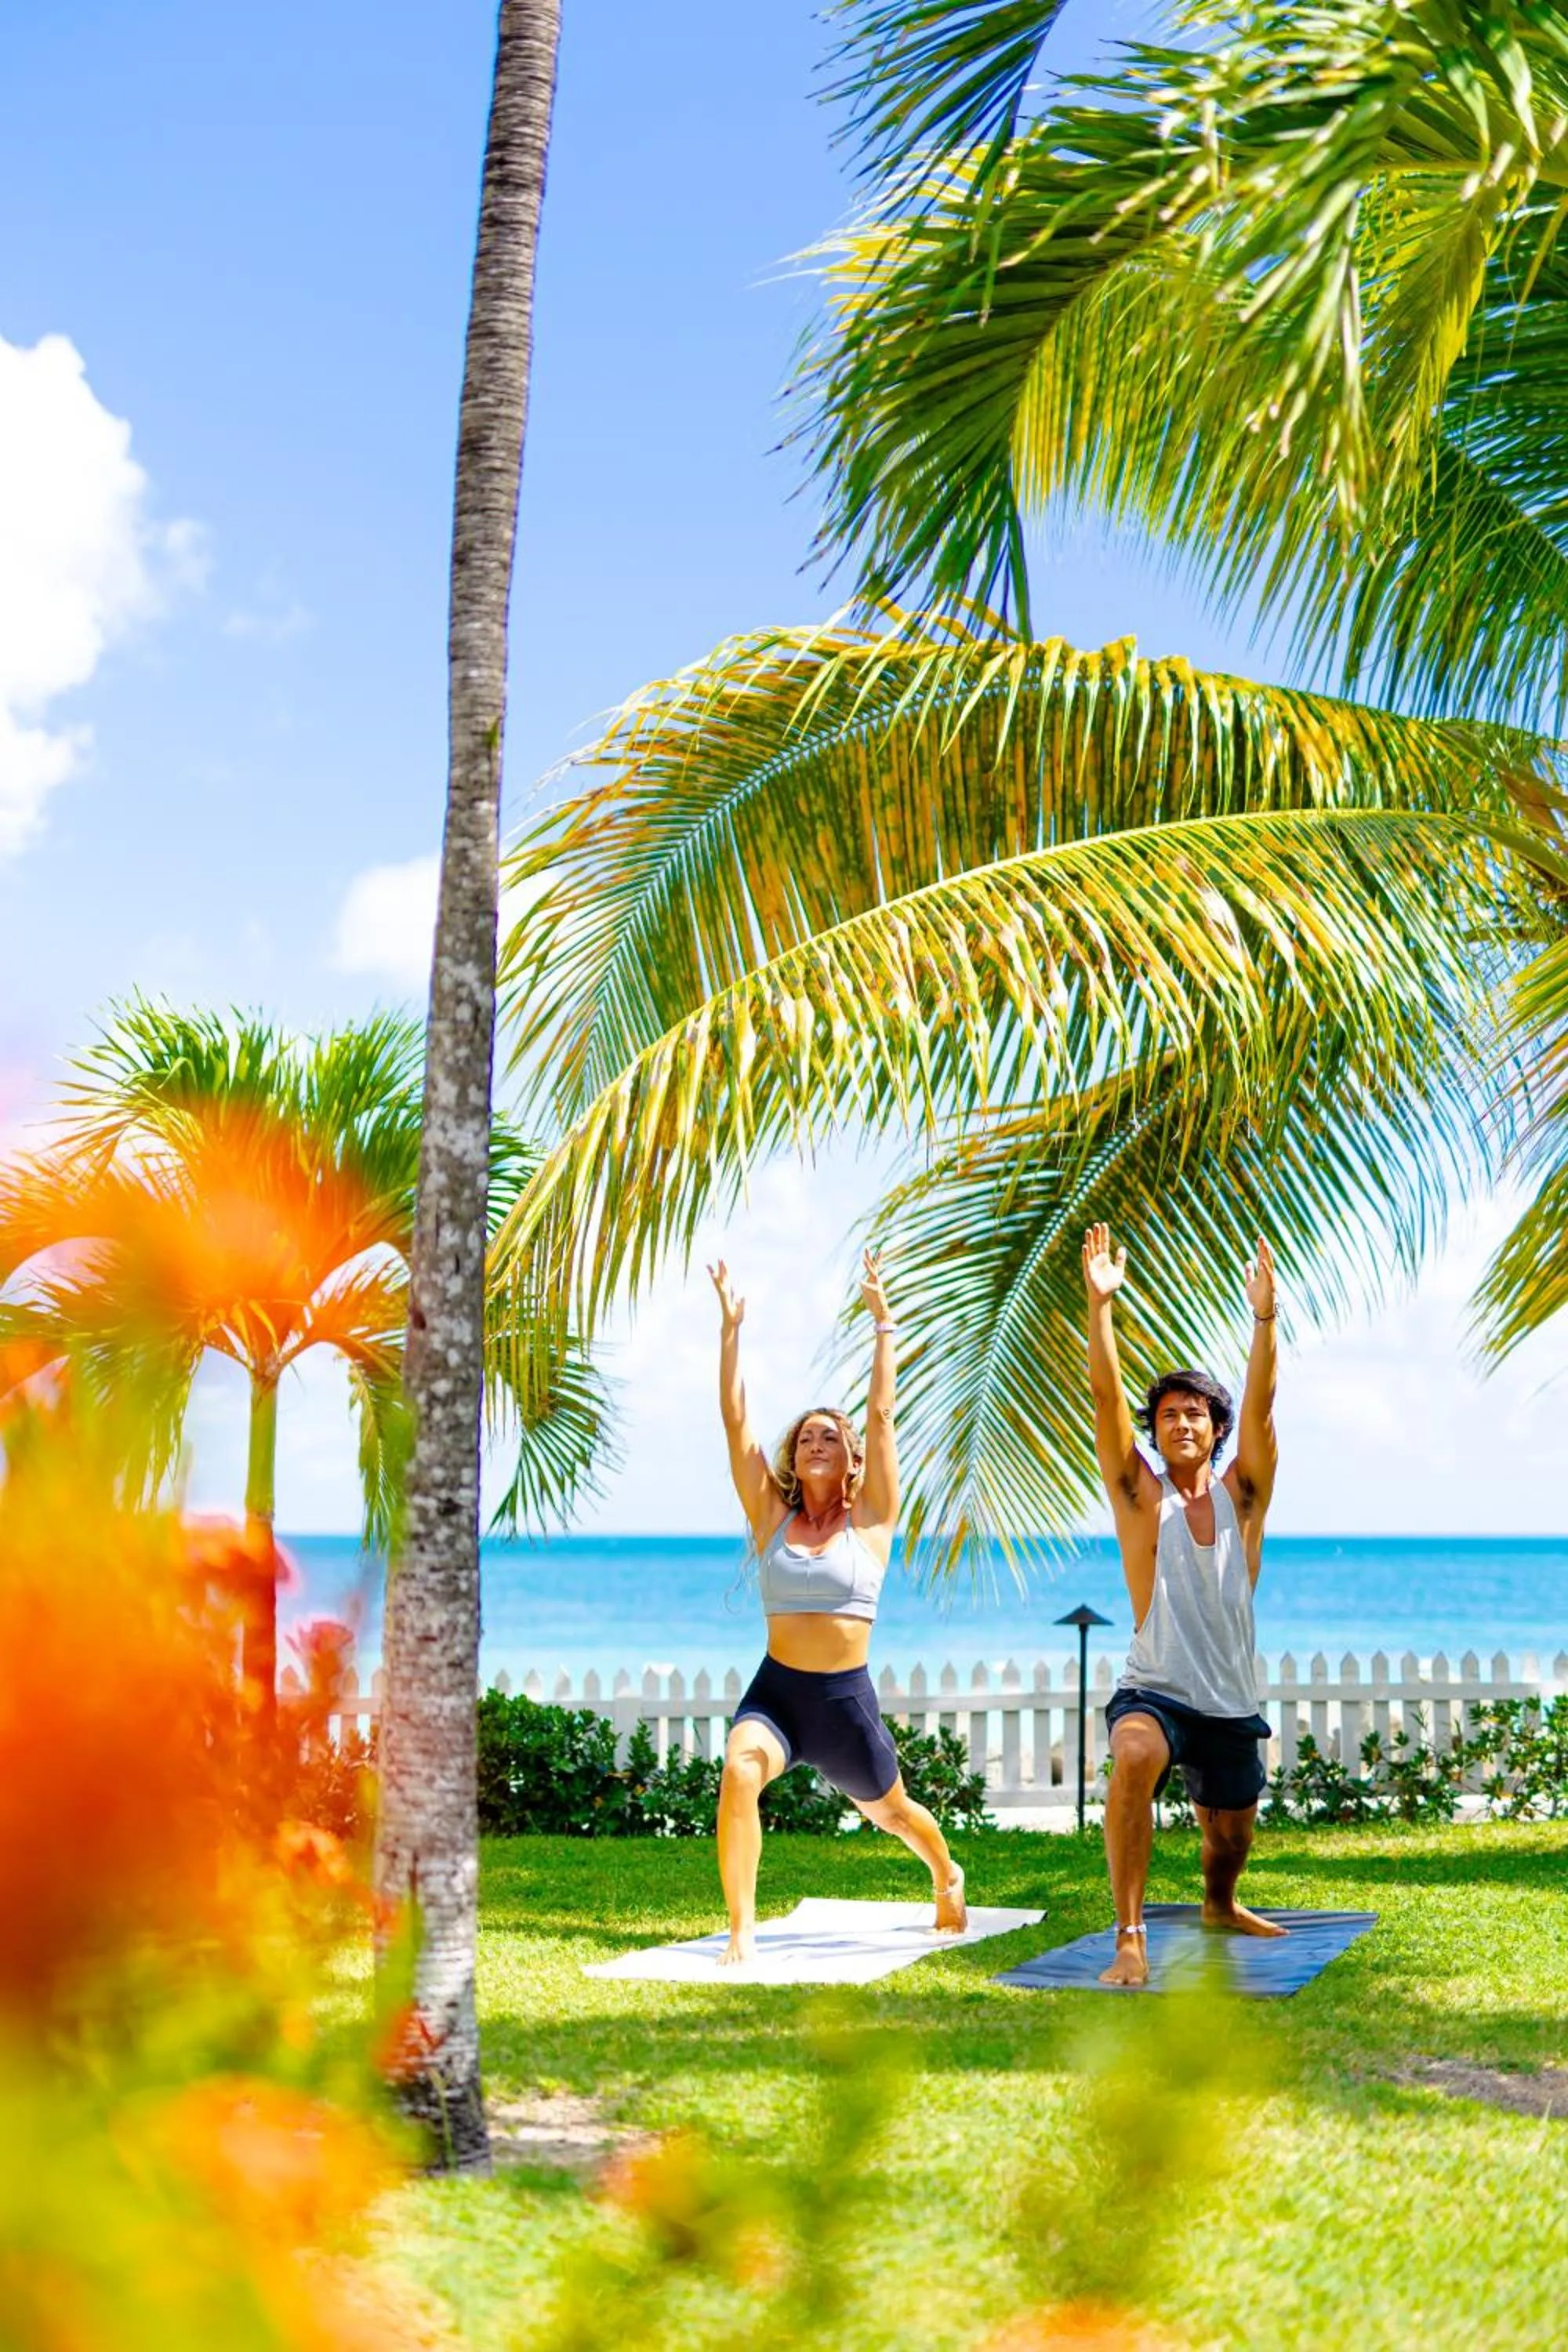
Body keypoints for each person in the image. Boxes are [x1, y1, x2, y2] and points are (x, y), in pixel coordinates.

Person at [707, 1247, 967, 1965]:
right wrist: (731, 1332)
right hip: (779, 1694)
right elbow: (735, 1427)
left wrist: (884, 1328)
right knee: (738, 1774)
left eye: (832, 1436)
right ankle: (741, 1929)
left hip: (844, 1703)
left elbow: (882, 1418)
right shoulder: (771, 1518)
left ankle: (947, 1875)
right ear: (795, 1455)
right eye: (807, 1435)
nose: (817, 1440)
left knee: (892, 1814)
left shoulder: (873, 1521)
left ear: (851, 1460)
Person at [1082, 1220, 1282, 1987]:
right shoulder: (1139, 1496)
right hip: (1154, 1687)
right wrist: (1100, 1308)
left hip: (1229, 1698)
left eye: (1194, 1413)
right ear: (1156, 1433)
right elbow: (1104, 1401)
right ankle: (1128, 1934)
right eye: (1166, 1415)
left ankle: (1218, 1905)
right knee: (1132, 1756)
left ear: (1214, 1430)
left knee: (1228, 1838)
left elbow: (1260, 1410)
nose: (1180, 1423)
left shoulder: (1245, 1494)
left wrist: (1262, 1322)